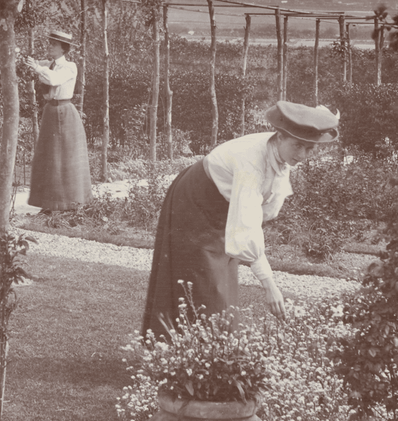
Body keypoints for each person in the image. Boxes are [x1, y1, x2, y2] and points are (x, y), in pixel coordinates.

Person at [142, 101, 340, 338]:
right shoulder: (251, 163)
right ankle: (189, 355)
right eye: (298, 145)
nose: (302, 155)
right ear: (280, 136)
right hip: (193, 203)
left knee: (223, 279)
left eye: (310, 149)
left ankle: (208, 355)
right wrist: (269, 285)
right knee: (204, 283)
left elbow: (262, 210)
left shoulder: (279, 154)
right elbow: (246, 230)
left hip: (220, 207)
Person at [23, 29, 92, 212]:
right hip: (50, 112)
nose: (50, 47)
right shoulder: (48, 64)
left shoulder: (69, 67)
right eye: (50, 43)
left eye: (54, 44)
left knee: (65, 158)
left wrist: (37, 67)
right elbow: (39, 72)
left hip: (64, 112)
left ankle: (68, 204)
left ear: (63, 49)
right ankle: (48, 204)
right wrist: (29, 63)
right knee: (48, 157)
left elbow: (54, 80)